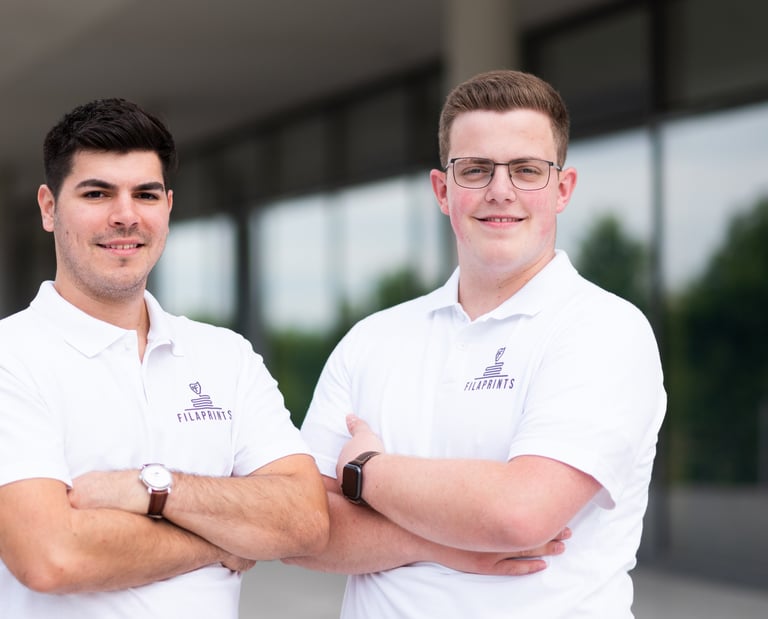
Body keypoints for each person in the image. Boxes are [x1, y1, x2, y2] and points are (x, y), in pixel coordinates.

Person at [289, 70, 667, 617]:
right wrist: (441, 544)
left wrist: (365, 470)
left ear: (562, 189)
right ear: (443, 190)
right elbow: (300, 529)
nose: (500, 190)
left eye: (526, 170)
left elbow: (520, 513)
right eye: (475, 169)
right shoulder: (371, 340)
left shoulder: (604, 329)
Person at [0, 98, 329, 619]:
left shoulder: (227, 356)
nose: (125, 215)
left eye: (145, 194)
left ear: (168, 208)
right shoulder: (11, 357)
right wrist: (220, 539)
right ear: (48, 207)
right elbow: (52, 556)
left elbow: (307, 521)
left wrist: (149, 489)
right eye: (97, 193)